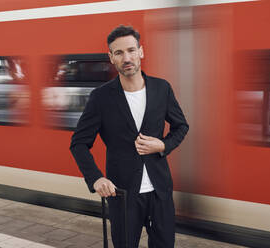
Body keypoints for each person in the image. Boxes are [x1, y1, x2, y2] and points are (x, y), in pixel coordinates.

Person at [70, 25, 189, 248]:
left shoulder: (162, 89)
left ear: (141, 52)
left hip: (160, 193)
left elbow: (181, 126)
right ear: (111, 58)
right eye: (119, 53)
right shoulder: (101, 97)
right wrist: (96, 178)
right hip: (122, 195)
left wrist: (163, 145)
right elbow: (78, 144)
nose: (127, 58)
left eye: (131, 50)